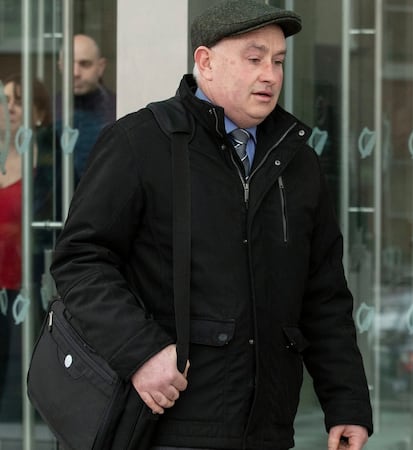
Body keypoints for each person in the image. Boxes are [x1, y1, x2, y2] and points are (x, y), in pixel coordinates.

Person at [49, 2, 373, 449]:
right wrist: (140, 351)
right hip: (167, 422)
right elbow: (80, 261)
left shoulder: (297, 160)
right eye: (254, 58)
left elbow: (324, 294)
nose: (271, 75)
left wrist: (347, 403)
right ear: (205, 62)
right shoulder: (140, 142)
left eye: (278, 61)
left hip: (268, 428)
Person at [0, 73, 52, 416]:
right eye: (6, 101)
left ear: (39, 112)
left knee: (27, 373)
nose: (11, 108)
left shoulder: (49, 162)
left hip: (28, 285)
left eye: (20, 101)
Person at [57, 33, 116, 184]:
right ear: (60, 66)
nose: (76, 73)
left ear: (101, 66)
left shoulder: (116, 109)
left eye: (85, 64)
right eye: (70, 64)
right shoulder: (50, 110)